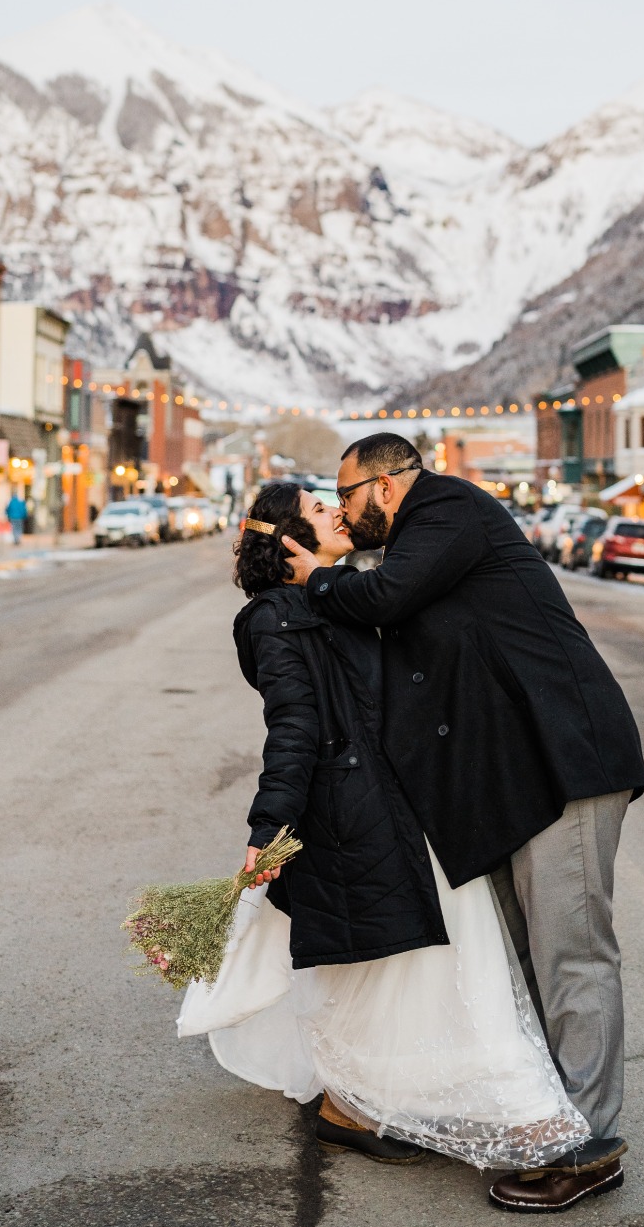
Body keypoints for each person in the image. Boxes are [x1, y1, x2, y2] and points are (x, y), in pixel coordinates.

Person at [284, 433, 644, 1215]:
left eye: (344, 495)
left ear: (385, 485)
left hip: (566, 760)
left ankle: (588, 1147)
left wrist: (317, 579)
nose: (343, 510)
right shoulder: (422, 540)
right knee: (528, 958)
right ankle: (549, 1121)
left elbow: (382, 602)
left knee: (572, 955)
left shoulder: (446, 508)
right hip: (512, 780)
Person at [197, 480, 590, 1174]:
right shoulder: (272, 618)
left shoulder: (340, 594)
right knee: (416, 960)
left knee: (423, 959)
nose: (339, 513)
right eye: (322, 510)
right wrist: (270, 828)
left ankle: (366, 1102)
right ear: (289, 538)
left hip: (406, 805)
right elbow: (294, 729)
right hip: (355, 814)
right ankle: (442, 1105)